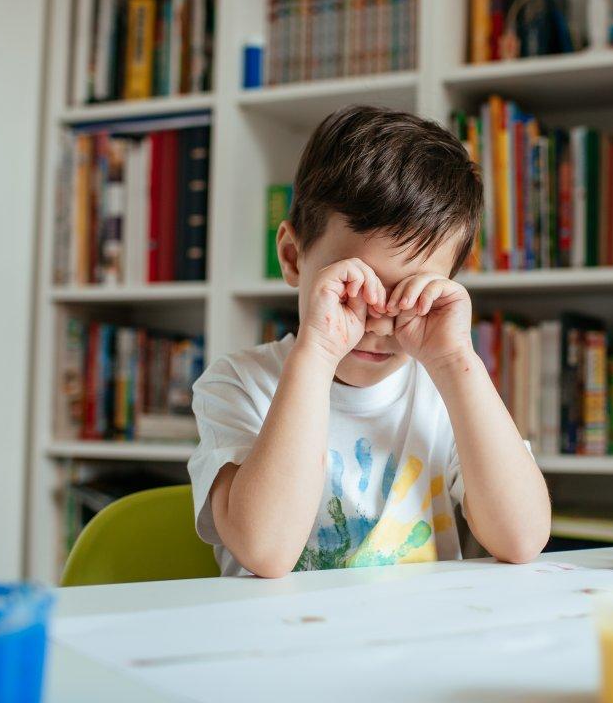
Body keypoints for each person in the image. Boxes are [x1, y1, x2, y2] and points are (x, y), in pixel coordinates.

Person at [188, 105, 551, 577]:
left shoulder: (446, 394)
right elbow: (266, 551)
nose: (380, 322)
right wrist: (317, 354)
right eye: (353, 288)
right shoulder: (238, 384)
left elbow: (522, 539)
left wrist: (457, 362)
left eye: (410, 295)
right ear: (293, 258)